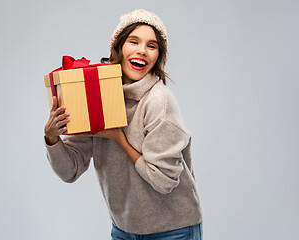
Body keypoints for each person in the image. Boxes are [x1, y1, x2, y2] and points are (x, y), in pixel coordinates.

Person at [44, 9, 204, 240]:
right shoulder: (95, 96)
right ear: (118, 47)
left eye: (152, 45)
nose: (142, 50)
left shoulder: (159, 101)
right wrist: (52, 139)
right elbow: (70, 171)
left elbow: (164, 180)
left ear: (158, 56)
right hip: (124, 230)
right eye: (133, 41)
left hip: (172, 230)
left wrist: (119, 137)